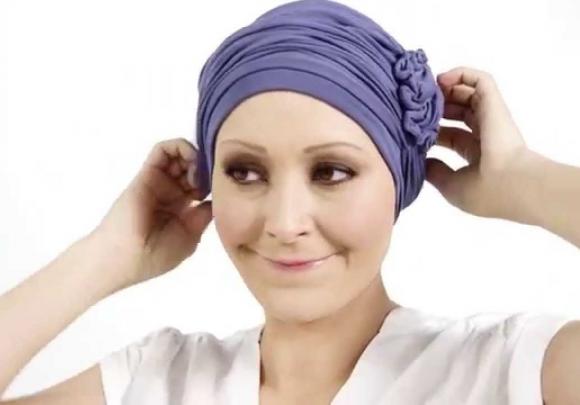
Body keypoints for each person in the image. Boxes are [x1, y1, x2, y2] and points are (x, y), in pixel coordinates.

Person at [2, 3, 580, 405]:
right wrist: (110, 253)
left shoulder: (512, 372)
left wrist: (523, 177)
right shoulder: (155, 382)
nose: (283, 223)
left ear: (401, 182)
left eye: (331, 172)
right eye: (245, 172)